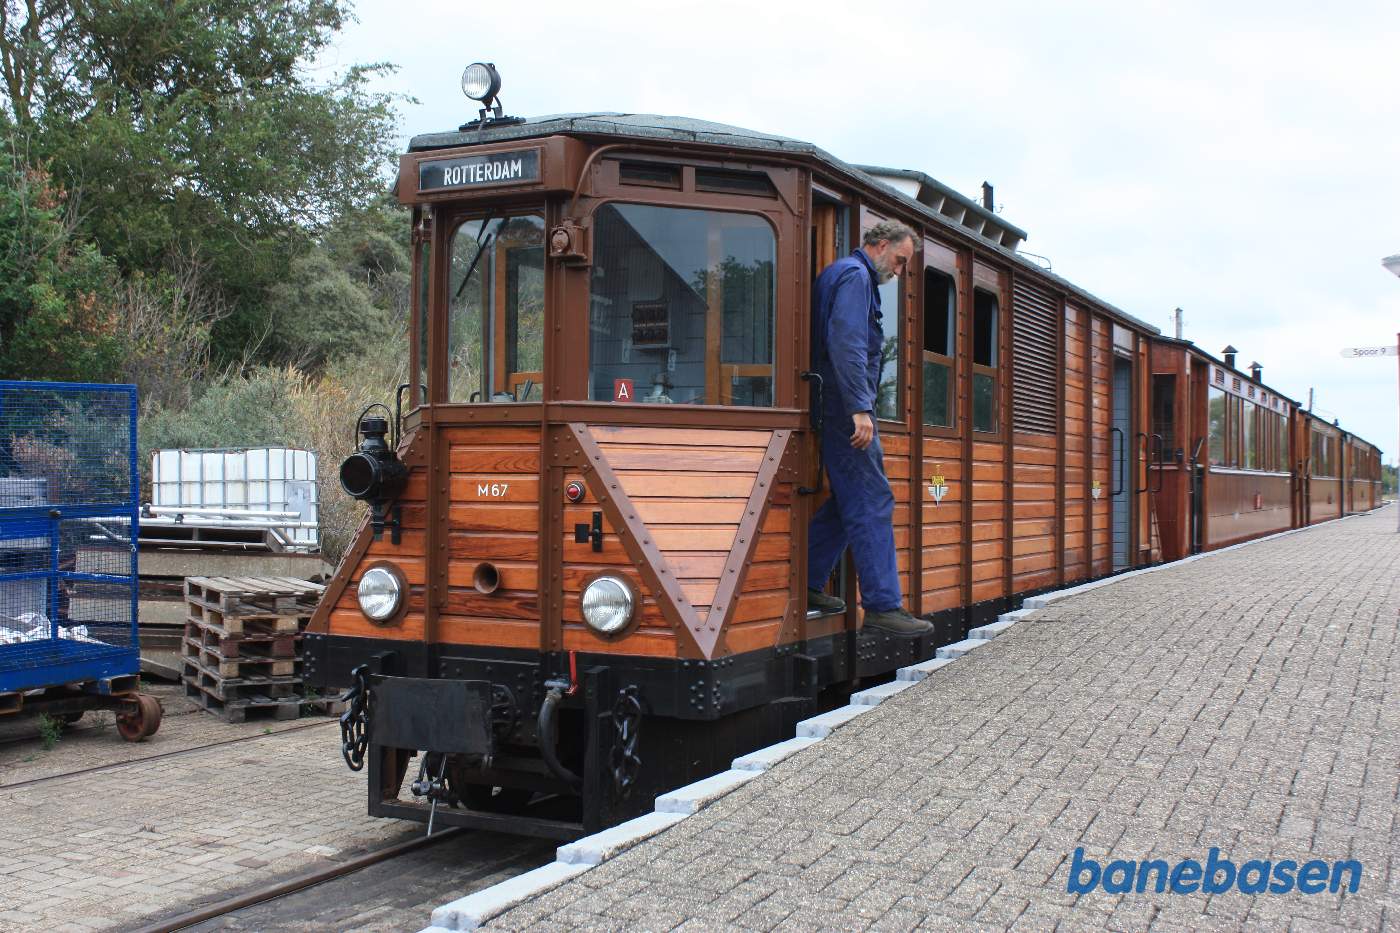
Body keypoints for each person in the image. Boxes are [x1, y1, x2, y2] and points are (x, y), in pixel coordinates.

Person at [807, 220, 932, 636]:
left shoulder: (842, 274)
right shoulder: (856, 276)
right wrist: (860, 408)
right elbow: (848, 345)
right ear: (880, 245)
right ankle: (882, 605)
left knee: (849, 500)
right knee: (873, 498)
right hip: (845, 407)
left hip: (836, 402)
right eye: (899, 260)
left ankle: (807, 579)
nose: (899, 271)